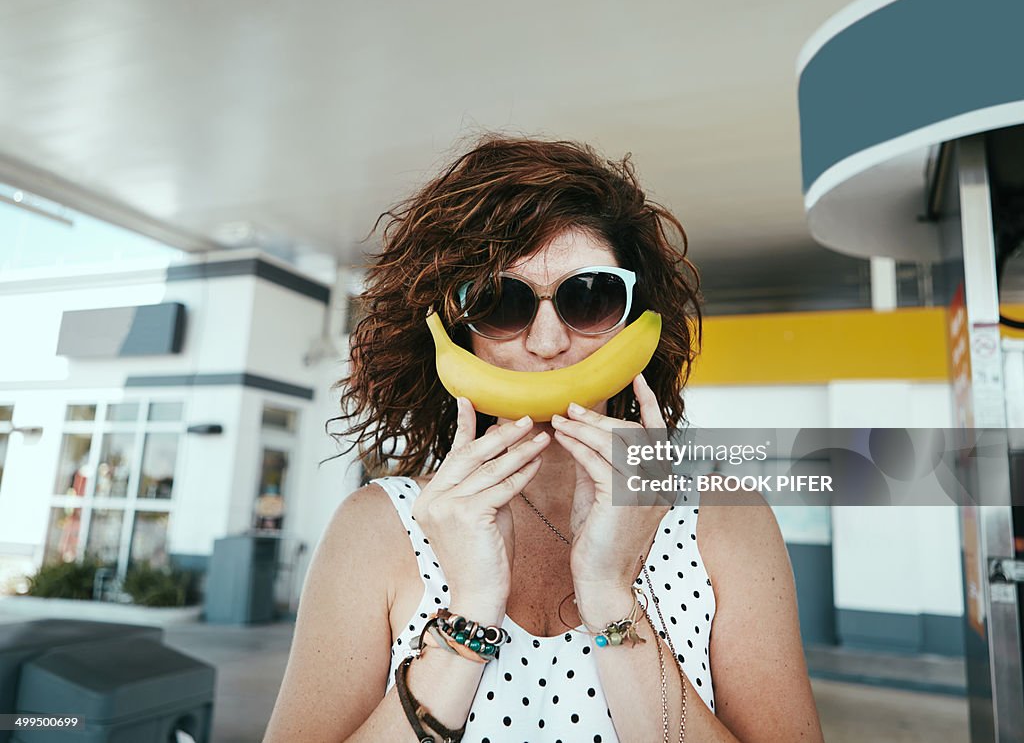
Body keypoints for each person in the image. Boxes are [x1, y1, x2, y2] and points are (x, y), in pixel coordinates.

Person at [264, 136, 824, 742]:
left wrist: (611, 597)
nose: (549, 342)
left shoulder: (724, 521)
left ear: (634, 321)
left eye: (591, 296)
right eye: (501, 302)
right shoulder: (377, 529)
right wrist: (471, 614)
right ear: (458, 336)